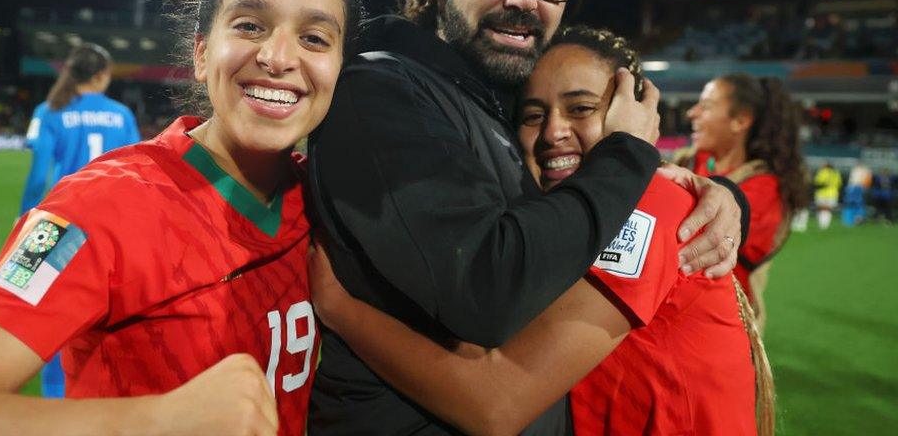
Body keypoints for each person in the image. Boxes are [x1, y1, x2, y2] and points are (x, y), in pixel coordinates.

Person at [307, 0, 746, 434]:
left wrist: (714, 194)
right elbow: (486, 294)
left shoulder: (486, 104)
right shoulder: (382, 91)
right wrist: (629, 160)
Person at [0, 0, 363, 436]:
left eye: (315, 37)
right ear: (202, 54)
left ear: (341, 67)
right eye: (249, 25)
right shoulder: (97, 206)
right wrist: (155, 420)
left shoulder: (331, 201)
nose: (277, 57)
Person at [309, 26, 773, 436]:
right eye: (533, 115)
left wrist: (345, 310)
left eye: (581, 108)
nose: (553, 131)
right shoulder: (558, 221)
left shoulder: (647, 207)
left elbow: (495, 405)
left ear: (634, 115)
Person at [19, 42, 140, 398]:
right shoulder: (122, 114)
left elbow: (39, 172)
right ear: (102, 75)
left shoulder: (48, 111)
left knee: (50, 321)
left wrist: (25, 219)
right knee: (106, 322)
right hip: (113, 231)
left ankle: (55, 405)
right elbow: (135, 173)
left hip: (59, 229)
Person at [682, 73, 809, 330]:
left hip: (722, 330)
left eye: (706, 107)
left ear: (740, 121)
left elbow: (688, 232)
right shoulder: (692, 160)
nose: (691, 113)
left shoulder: (766, 189)